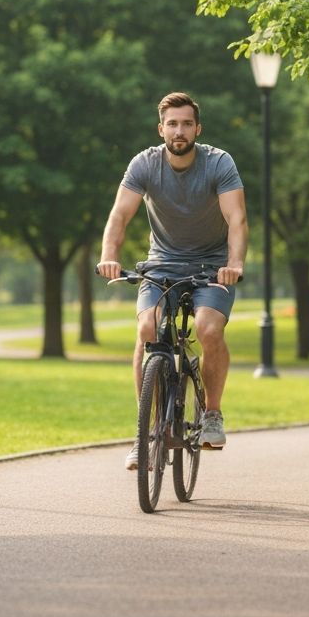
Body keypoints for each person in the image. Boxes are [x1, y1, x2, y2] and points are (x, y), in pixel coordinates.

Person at [97, 91, 248, 470]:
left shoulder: (219, 163)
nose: (179, 131)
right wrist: (109, 257)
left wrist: (235, 262)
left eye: (186, 124)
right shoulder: (144, 165)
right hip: (162, 264)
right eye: (172, 124)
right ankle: (145, 435)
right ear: (160, 128)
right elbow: (118, 216)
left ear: (197, 128)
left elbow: (237, 219)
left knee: (208, 329)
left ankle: (211, 413)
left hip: (211, 266)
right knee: (147, 328)